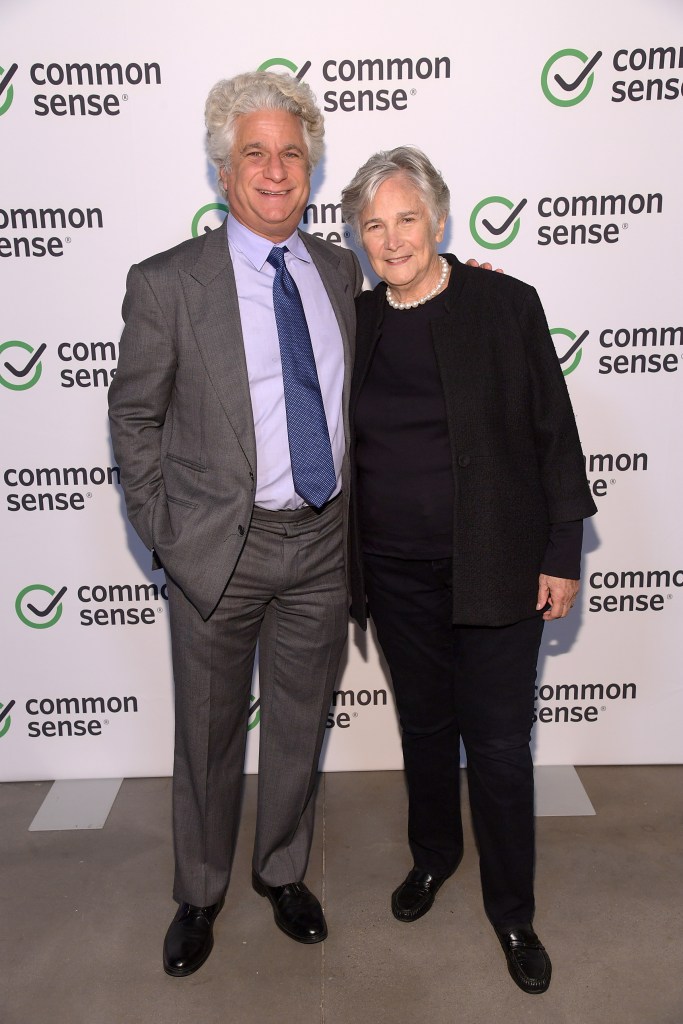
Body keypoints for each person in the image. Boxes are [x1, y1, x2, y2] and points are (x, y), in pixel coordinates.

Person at [108, 71, 363, 977]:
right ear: (224, 170)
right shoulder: (168, 283)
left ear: (311, 167)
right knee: (208, 733)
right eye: (254, 152)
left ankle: (282, 871)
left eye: (291, 152)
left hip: (325, 542)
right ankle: (201, 889)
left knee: (300, 724)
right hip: (221, 547)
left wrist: (466, 288)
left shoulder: (338, 267)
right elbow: (135, 418)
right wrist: (167, 534)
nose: (275, 169)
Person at [341, 146, 597, 995]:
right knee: (422, 732)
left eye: (405, 218)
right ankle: (432, 858)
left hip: (495, 567)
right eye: (372, 225)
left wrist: (561, 551)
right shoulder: (357, 320)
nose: (391, 238)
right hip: (394, 570)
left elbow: (552, 433)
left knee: (494, 745)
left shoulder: (504, 303)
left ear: (439, 221)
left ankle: (512, 910)